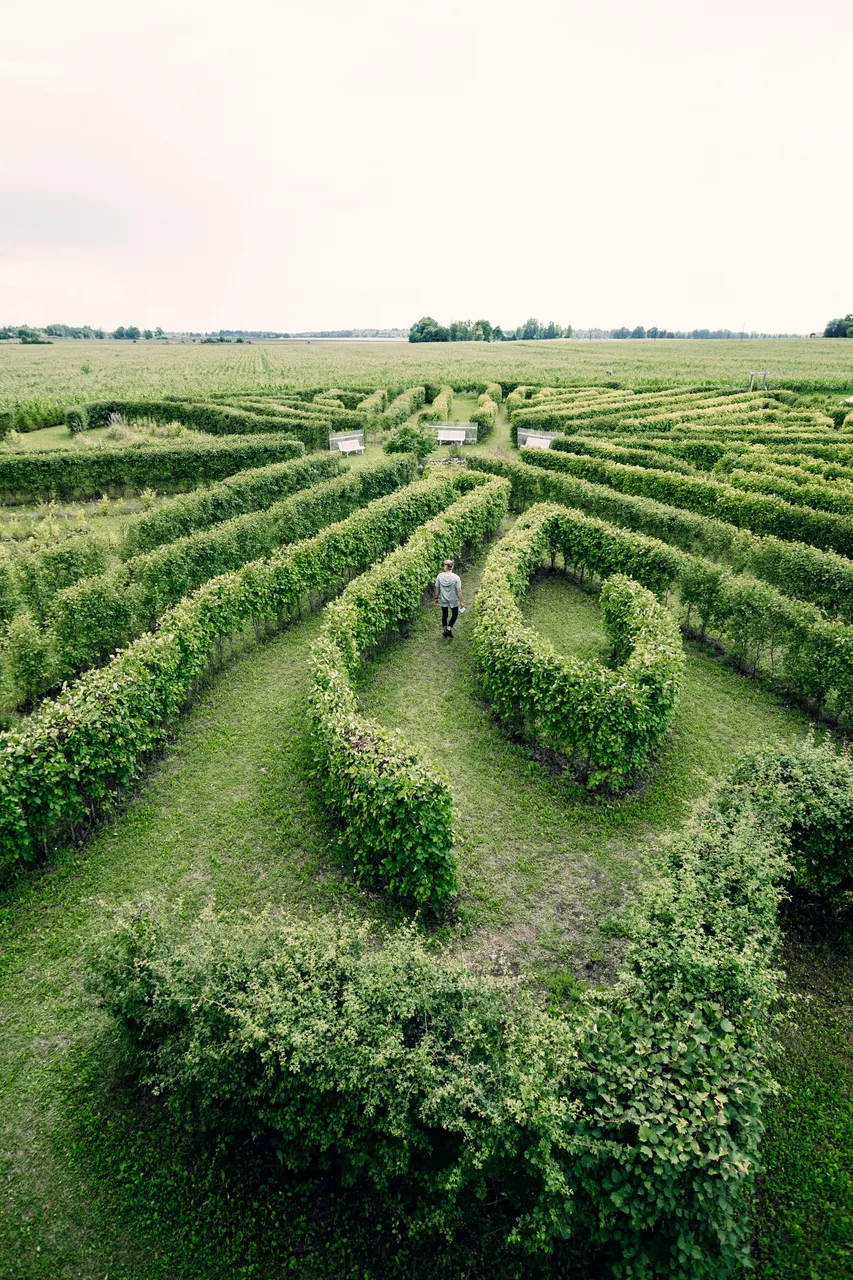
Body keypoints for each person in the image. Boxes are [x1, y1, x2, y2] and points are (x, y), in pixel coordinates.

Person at [434, 559, 464, 638]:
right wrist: (461, 601)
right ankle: (449, 628)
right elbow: (459, 591)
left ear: (445, 567)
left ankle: (445, 632)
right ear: (452, 567)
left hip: (443, 599)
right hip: (453, 599)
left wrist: (436, 598)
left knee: (444, 615)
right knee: (455, 614)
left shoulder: (439, 576)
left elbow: (437, 589)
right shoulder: (456, 578)